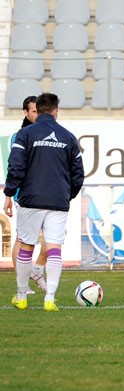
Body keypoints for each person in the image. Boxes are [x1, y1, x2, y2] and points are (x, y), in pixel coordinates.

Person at [4, 93, 85, 312]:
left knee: (26, 247)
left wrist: (9, 192)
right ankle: (50, 297)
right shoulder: (68, 137)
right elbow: (78, 174)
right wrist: (67, 194)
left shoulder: (25, 134)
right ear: (56, 110)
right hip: (58, 200)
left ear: (37, 110)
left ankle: (22, 297)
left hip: (30, 199)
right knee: (55, 248)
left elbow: (16, 166)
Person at [9, 96, 48, 294]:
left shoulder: (46, 133)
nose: (37, 115)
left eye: (39, 111)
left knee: (50, 241)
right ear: (25, 113)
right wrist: (9, 195)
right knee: (22, 239)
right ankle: (21, 280)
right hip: (25, 195)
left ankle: (37, 270)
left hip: (45, 194)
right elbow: (15, 166)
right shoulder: (21, 135)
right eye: (33, 111)